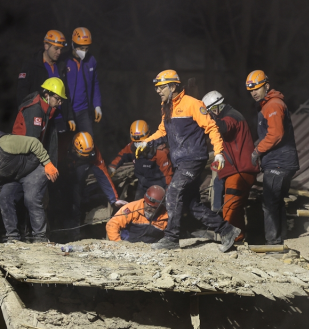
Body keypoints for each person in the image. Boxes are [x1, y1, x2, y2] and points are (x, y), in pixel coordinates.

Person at [139, 70, 240, 252]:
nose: (158, 91)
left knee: (173, 192)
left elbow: (211, 127)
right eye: (157, 88)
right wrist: (146, 141)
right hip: (181, 161)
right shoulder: (166, 107)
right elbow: (163, 131)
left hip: (193, 159)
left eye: (161, 87)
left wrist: (218, 152)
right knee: (191, 204)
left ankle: (171, 238)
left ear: (173, 86)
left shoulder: (192, 104)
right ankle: (227, 230)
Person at [246, 70, 300, 245]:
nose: (254, 93)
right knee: (276, 202)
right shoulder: (267, 105)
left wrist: (257, 151)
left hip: (279, 162)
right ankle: (281, 239)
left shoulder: (273, 105)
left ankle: (273, 242)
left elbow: (276, 134)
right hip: (282, 161)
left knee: (269, 203)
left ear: (266, 86)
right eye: (251, 90)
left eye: (257, 88)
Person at [202, 90, 259, 242]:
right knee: (234, 207)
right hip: (235, 170)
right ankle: (237, 238)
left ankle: (233, 239)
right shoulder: (229, 115)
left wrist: (208, 117)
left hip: (240, 171)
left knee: (230, 208)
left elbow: (224, 127)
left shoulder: (232, 116)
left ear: (215, 109)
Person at [16, 30, 74, 132]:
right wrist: (27, 115)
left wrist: (69, 117)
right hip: (39, 118)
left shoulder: (61, 66)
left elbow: (65, 93)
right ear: (46, 46)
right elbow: (22, 93)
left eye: (61, 49)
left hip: (59, 119)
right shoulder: (32, 66)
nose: (59, 52)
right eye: (56, 49)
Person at [68, 132, 125, 234]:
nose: (86, 157)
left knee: (76, 199)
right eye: (83, 155)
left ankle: (74, 233)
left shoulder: (93, 153)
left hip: (78, 175)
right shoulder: (63, 147)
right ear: (74, 148)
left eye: (88, 155)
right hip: (63, 171)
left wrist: (114, 199)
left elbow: (103, 175)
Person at [108, 120, 173, 200]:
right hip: (142, 184)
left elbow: (167, 175)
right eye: (136, 142)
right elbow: (122, 155)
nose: (138, 144)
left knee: (156, 208)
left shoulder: (159, 152)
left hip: (158, 185)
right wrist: (113, 166)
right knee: (138, 207)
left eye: (140, 141)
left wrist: (168, 191)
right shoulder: (132, 147)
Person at [13, 77, 67, 163]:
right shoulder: (35, 110)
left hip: (31, 155)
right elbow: (32, 143)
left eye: (62, 100)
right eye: (57, 98)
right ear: (46, 95)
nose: (60, 103)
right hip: (22, 157)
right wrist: (46, 162)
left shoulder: (47, 110)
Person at [61, 27, 102, 137]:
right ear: (73, 44)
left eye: (86, 48)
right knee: (67, 143)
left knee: (88, 142)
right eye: (81, 48)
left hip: (83, 110)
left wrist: (97, 105)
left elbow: (95, 83)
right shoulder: (63, 61)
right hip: (66, 110)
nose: (84, 51)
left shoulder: (91, 61)